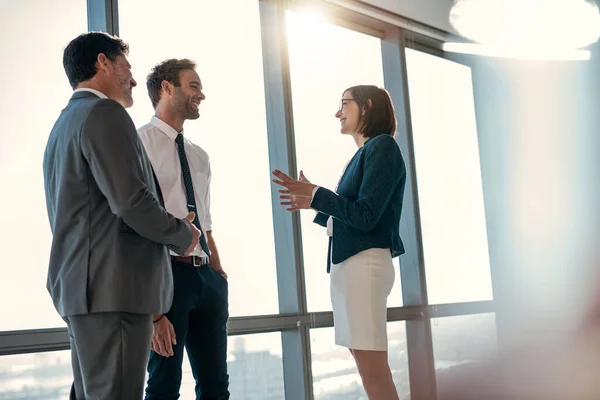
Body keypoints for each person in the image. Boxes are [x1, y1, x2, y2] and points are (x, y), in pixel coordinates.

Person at [43, 33, 200, 399]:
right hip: (114, 290)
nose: (132, 79)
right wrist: (183, 235)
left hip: (85, 289)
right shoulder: (104, 113)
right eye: (126, 68)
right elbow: (131, 203)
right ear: (103, 63)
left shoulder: (64, 123)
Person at [272, 85, 406, 400]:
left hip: (364, 266)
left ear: (367, 106)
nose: (338, 112)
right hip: (353, 266)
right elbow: (355, 217)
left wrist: (318, 195)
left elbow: (366, 216)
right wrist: (315, 201)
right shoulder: (364, 153)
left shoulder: (382, 146)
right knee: (368, 367)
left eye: (344, 104)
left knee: (373, 371)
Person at [138, 59, 230, 400]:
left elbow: (205, 221)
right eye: (194, 86)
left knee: (216, 387)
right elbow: (135, 226)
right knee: (163, 387)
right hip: (166, 279)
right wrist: (154, 311)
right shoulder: (138, 146)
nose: (201, 95)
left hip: (207, 278)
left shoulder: (200, 156)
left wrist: (218, 272)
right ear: (166, 87)